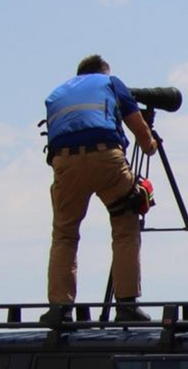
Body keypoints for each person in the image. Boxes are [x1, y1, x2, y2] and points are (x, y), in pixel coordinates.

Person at [43, 54, 157, 323]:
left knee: (64, 235)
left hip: (65, 163)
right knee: (125, 227)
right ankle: (127, 306)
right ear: (104, 71)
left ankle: (60, 309)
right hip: (106, 158)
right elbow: (139, 130)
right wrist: (151, 145)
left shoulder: (56, 93)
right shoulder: (111, 82)